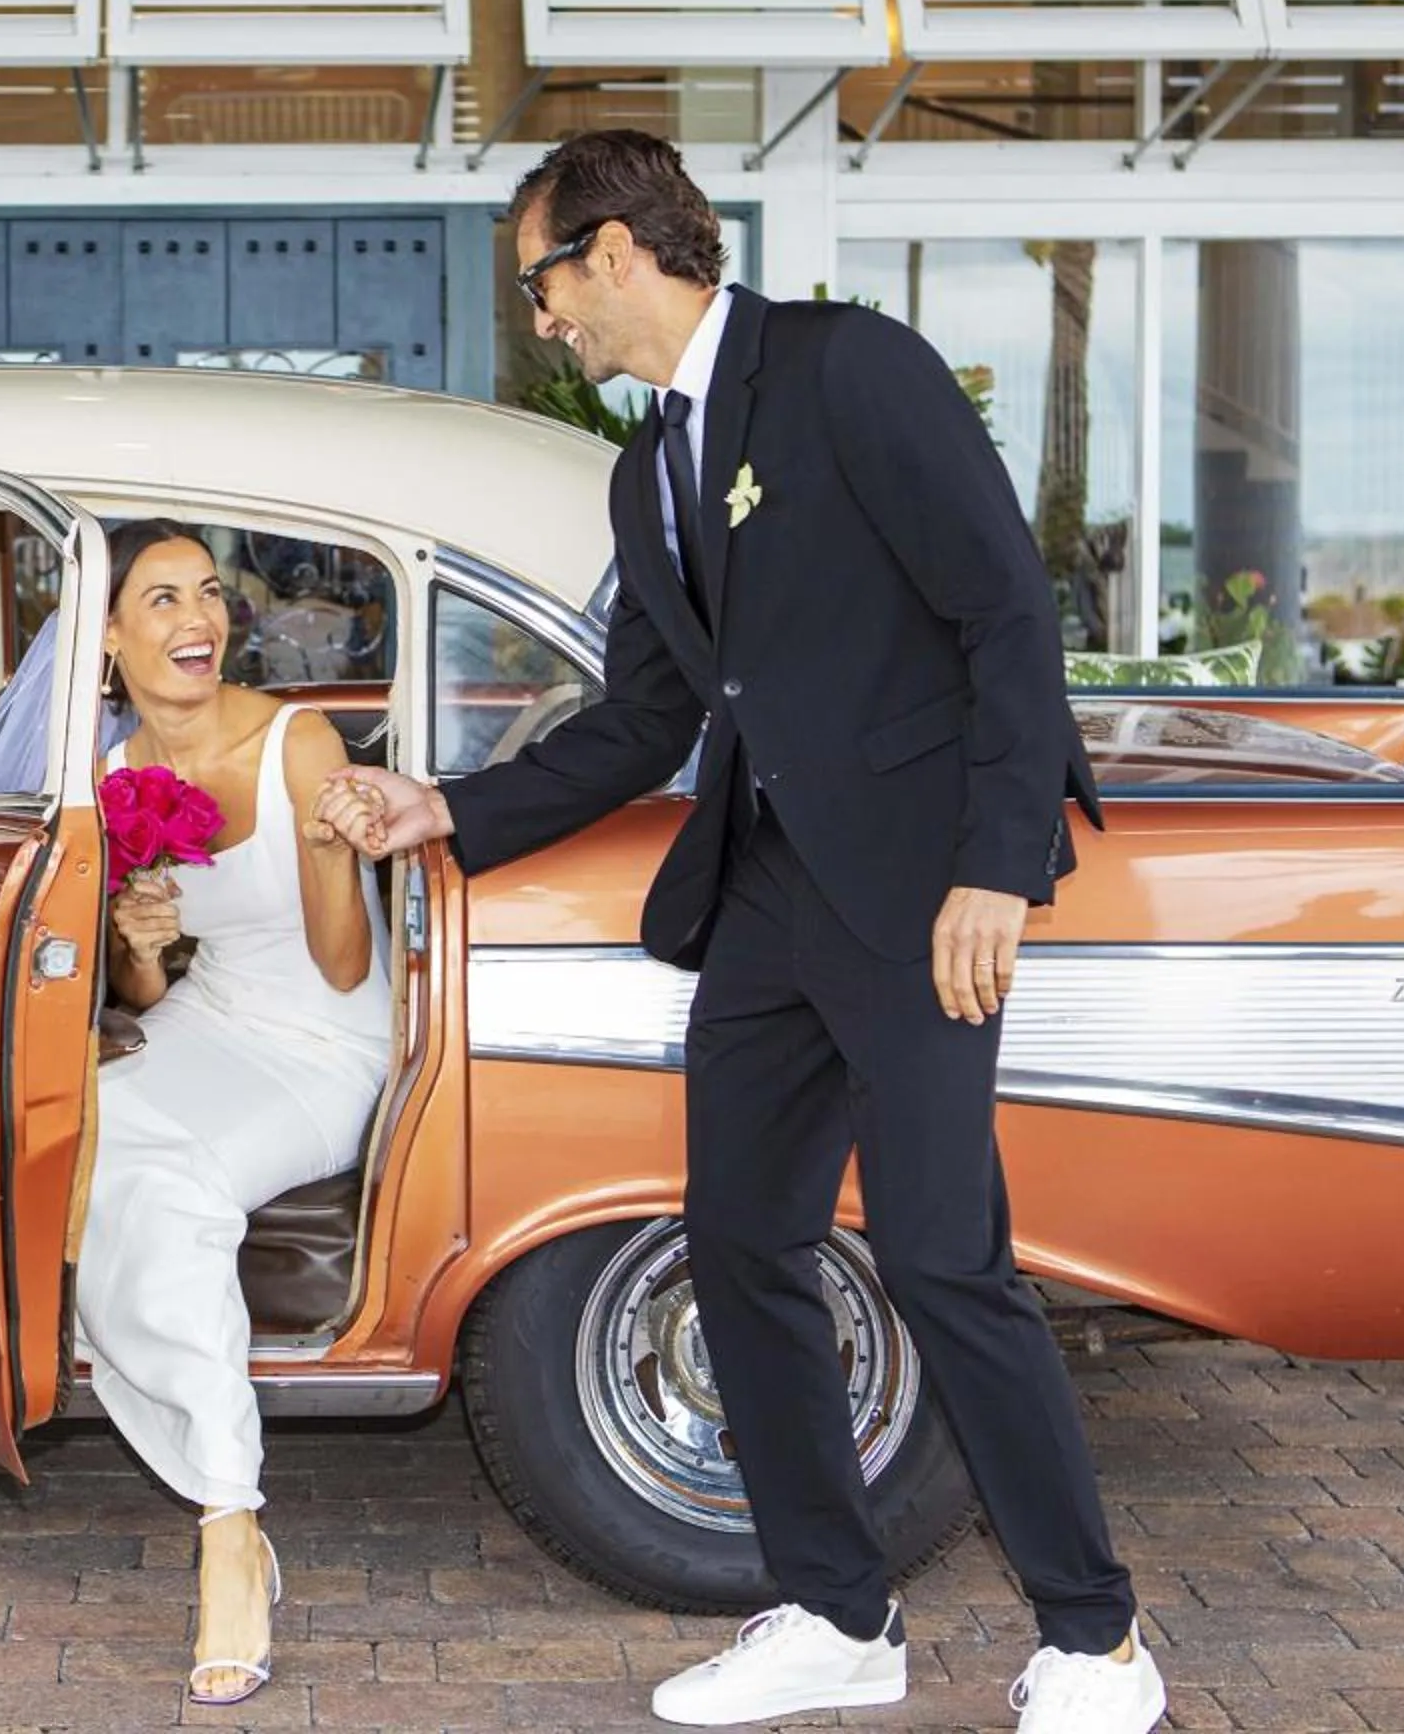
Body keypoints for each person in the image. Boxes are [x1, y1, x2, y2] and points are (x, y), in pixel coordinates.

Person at [316, 130, 1164, 1734]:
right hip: (765, 896)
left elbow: (1004, 609)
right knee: (741, 1248)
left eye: (542, 279)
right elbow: (646, 714)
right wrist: (452, 810)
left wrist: (997, 865)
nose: (542, 316)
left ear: (620, 251)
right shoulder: (650, 467)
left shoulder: (850, 369)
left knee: (938, 1257)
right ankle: (839, 1618)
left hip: (921, 895)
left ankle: (1097, 1640)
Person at [73, 517, 390, 1708]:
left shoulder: (298, 740)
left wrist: (324, 850)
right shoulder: (111, 777)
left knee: (167, 1176)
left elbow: (349, 967)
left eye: (207, 593)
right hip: (210, 1015)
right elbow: (147, 986)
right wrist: (140, 946)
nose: (197, 618)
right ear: (108, 636)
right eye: (160, 600)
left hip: (327, 1041)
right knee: (82, 1134)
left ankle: (226, 1523)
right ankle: (226, 1500)